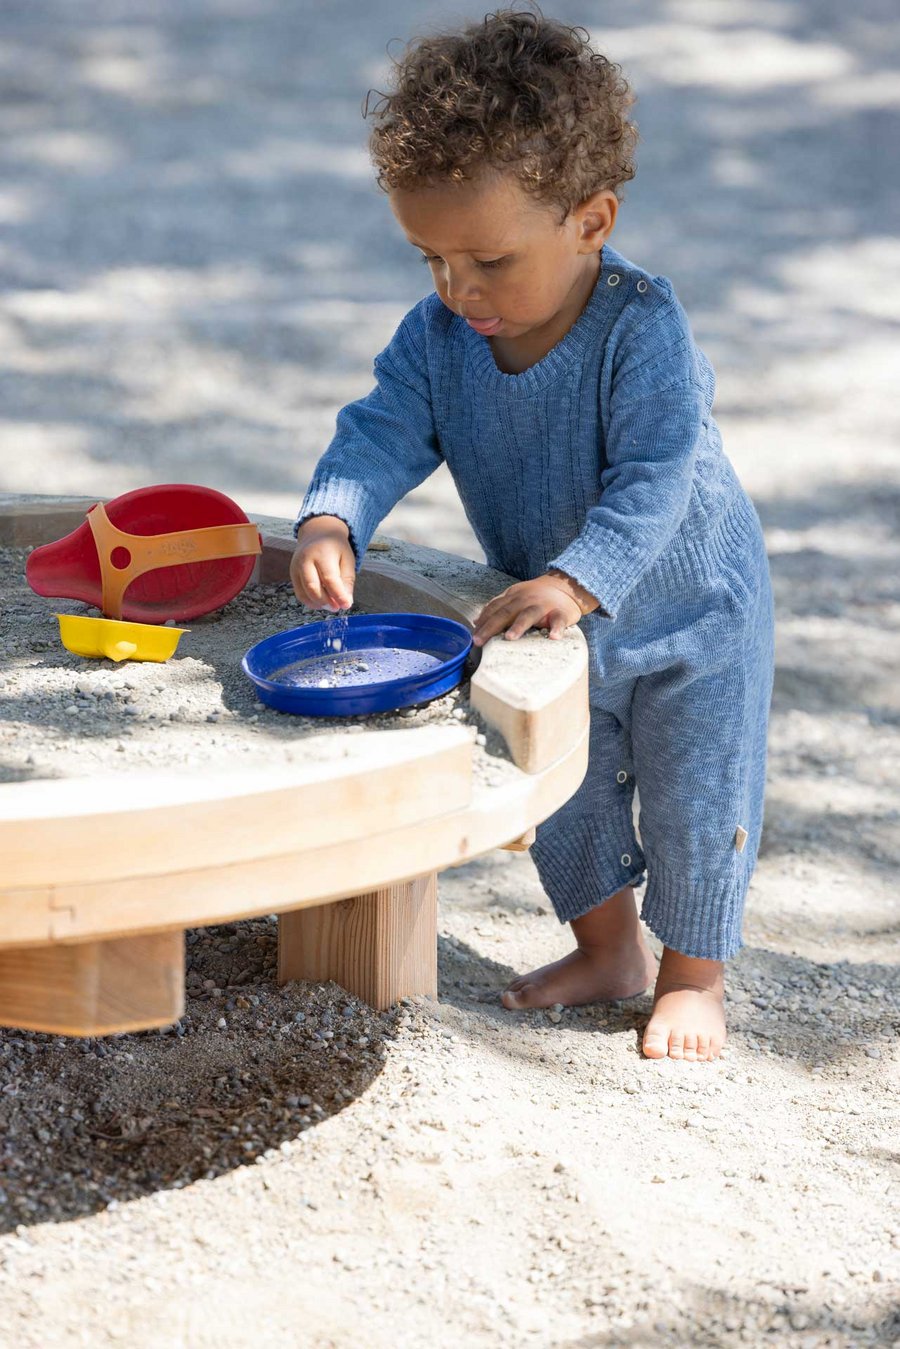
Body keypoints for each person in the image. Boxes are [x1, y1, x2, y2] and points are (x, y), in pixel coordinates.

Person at [289, 7, 775, 1062]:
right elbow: (381, 428)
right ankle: (608, 950)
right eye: (431, 258)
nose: (458, 289)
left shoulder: (643, 329)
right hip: (552, 614)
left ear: (590, 221)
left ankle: (693, 974)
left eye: (490, 260)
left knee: (697, 796)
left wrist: (578, 578)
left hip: (692, 614)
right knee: (559, 785)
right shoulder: (441, 336)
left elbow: (658, 476)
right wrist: (336, 513)